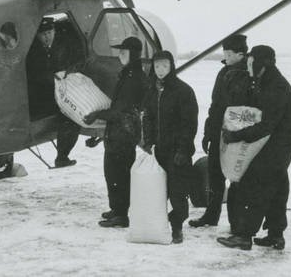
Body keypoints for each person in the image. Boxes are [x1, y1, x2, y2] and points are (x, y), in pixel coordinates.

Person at [217, 45, 291, 250]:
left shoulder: (276, 88)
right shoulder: (265, 82)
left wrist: (235, 135)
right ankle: (276, 235)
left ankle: (244, 236)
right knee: (278, 189)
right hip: (277, 145)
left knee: (257, 188)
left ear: (263, 64)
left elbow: (265, 126)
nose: (249, 67)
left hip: (275, 146)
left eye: (252, 63)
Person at [83, 37, 147, 228]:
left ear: (133, 55)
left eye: (123, 52)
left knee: (120, 175)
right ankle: (116, 209)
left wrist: (97, 114)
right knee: (112, 173)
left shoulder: (134, 78)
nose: (120, 55)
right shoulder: (127, 74)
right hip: (118, 133)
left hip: (124, 135)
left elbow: (120, 110)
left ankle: (121, 214)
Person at [189, 34, 248, 232]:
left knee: (237, 178)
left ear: (241, 54)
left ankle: (238, 221)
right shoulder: (223, 73)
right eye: (224, 53)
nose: (226, 57)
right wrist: (208, 133)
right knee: (215, 174)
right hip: (218, 132)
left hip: (238, 136)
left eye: (229, 54)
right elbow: (215, 106)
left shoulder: (249, 74)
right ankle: (211, 215)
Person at [142, 50, 198, 243]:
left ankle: (177, 226)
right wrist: (148, 141)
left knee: (178, 191)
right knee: (159, 190)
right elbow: (148, 117)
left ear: (171, 66)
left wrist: (183, 149)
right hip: (160, 149)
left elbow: (189, 123)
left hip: (177, 151)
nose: (160, 70)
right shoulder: (151, 90)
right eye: (157, 66)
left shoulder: (183, 90)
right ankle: (158, 224)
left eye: (164, 66)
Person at [26, 17, 85, 168]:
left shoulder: (64, 46)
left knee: (72, 113)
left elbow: (78, 60)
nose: (47, 36)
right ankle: (62, 156)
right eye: (43, 34)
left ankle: (62, 155)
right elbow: (33, 74)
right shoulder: (33, 51)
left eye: (50, 32)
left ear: (55, 31)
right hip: (43, 96)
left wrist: (70, 71)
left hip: (63, 89)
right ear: (37, 35)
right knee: (70, 115)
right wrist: (53, 78)